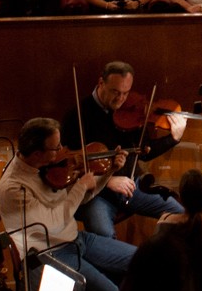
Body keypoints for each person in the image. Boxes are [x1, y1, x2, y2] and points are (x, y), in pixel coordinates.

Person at [0, 117, 134, 291]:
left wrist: (109, 171)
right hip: (51, 252)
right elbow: (54, 224)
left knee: (138, 259)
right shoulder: (14, 187)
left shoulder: (50, 169)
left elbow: (82, 199)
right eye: (55, 147)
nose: (62, 150)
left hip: (76, 239)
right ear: (37, 153)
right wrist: (79, 187)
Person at [64, 62, 187, 237]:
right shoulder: (76, 116)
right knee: (104, 235)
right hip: (96, 196)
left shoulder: (131, 111)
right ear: (101, 83)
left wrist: (173, 138)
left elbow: (144, 152)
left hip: (131, 186)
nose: (121, 99)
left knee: (182, 215)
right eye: (115, 92)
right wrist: (108, 181)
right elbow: (70, 168)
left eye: (126, 92)